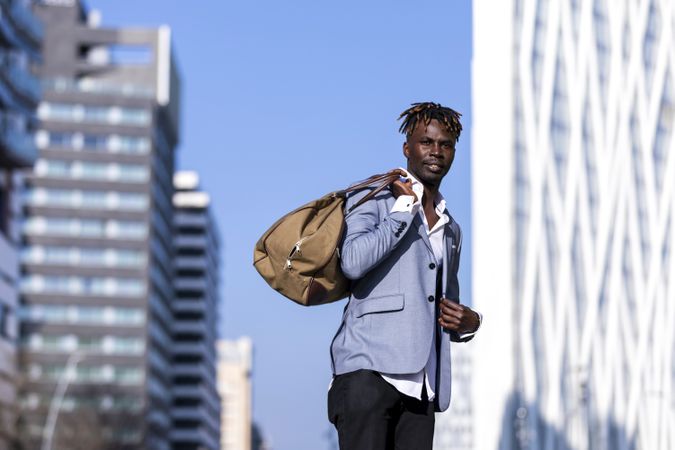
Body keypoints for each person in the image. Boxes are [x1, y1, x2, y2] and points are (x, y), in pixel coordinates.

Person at [327, 102, 482, 450]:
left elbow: (444, 306)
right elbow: (353, 261)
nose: (436, 152)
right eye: (427, 142)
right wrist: (402, 211)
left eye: (445, 144)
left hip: (422, 386)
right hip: (368, 373)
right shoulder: (373, 197)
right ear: (407, 148)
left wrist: (469, 322)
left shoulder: (451, 227)